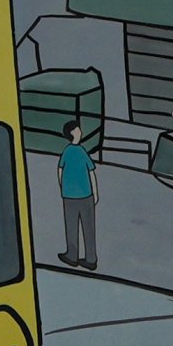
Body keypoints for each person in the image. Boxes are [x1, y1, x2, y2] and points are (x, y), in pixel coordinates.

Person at [54, 113, 99, 272]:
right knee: (88, 226)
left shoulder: (68, 152)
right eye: (78, 130)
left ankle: (72, 255)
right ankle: (90, 258)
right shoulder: (80, 151)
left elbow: (60, 170)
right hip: (85, 195)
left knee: (71, 225)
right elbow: (91, 171)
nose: (81, 132)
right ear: (73, 133)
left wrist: (63, 187)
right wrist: (95, 192)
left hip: (70, 196)